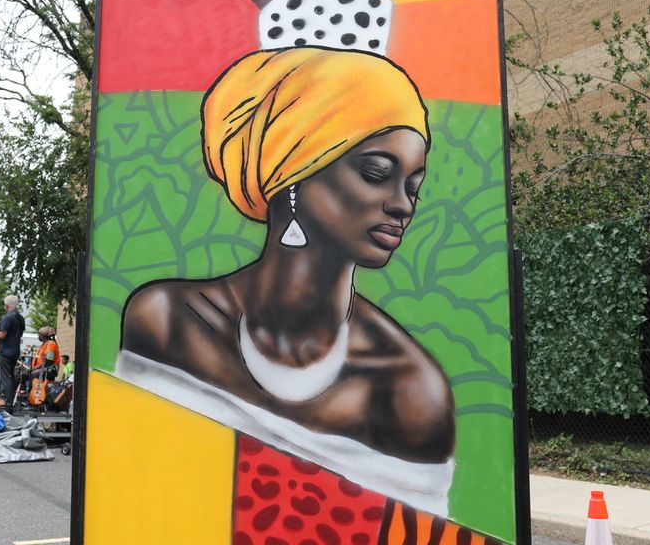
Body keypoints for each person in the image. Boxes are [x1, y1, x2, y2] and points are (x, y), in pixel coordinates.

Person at [119, 47, 454, 513]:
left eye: (413, 185)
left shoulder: (408, 390)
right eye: (377, 172)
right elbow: (142, 496)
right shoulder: (167, 322)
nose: (403, 204)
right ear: (294, 172)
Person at [0, 295, 25, 406]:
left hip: (6, 351)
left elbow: (2, 335)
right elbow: (20, 334)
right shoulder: (20, 318)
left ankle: (8, 403)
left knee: (6, 377)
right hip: (15, 350)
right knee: (10, 376)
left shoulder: (8, 317)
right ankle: (9, 400)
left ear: (7, 305)